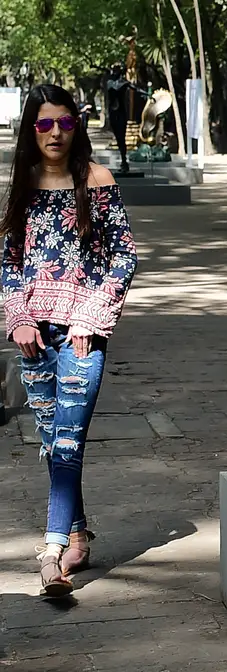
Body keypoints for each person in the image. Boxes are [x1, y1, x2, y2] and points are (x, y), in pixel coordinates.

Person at [0, 84, 139, 597]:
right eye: (43, 124)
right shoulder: (24, 183)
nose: (54, 133)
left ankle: (52, 551)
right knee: (51, 443)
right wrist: (17, 319)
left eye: (63, 123)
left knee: (67, 442)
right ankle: (78, 535)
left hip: (83, 334)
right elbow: (9, 264)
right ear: (30, 130)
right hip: (33, 335)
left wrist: (90, 319)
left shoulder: (96, 180)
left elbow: (124, 257)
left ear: (76, 126)